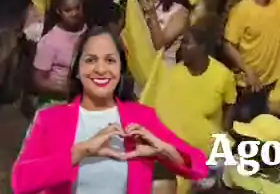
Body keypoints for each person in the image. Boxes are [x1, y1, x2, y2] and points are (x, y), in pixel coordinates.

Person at [12, 26, 208, 194]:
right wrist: (82, 151)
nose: (100, 69)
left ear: (120, 70)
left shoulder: (141, 118)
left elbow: (200, 166)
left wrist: (164, 150)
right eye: (91, 60)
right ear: (77, 69)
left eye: (110, 60)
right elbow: (20, 182)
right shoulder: (51, 119)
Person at [145, 26, 236, 157]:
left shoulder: (223, 76)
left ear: (201, 47)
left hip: (209, 155)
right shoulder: (174, 74)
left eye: (187, 43)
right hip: (177, 153)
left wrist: (223, 134)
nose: (182, 47)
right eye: (182, 43)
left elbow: (230, 105)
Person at [32, 0, 86, 103]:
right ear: (58, 11)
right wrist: (65, 90)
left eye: (77, 8)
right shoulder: (50, 41)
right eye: (68, 10)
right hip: (58, 101)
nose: (74, 13)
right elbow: (38, 80)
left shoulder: (90, 31)